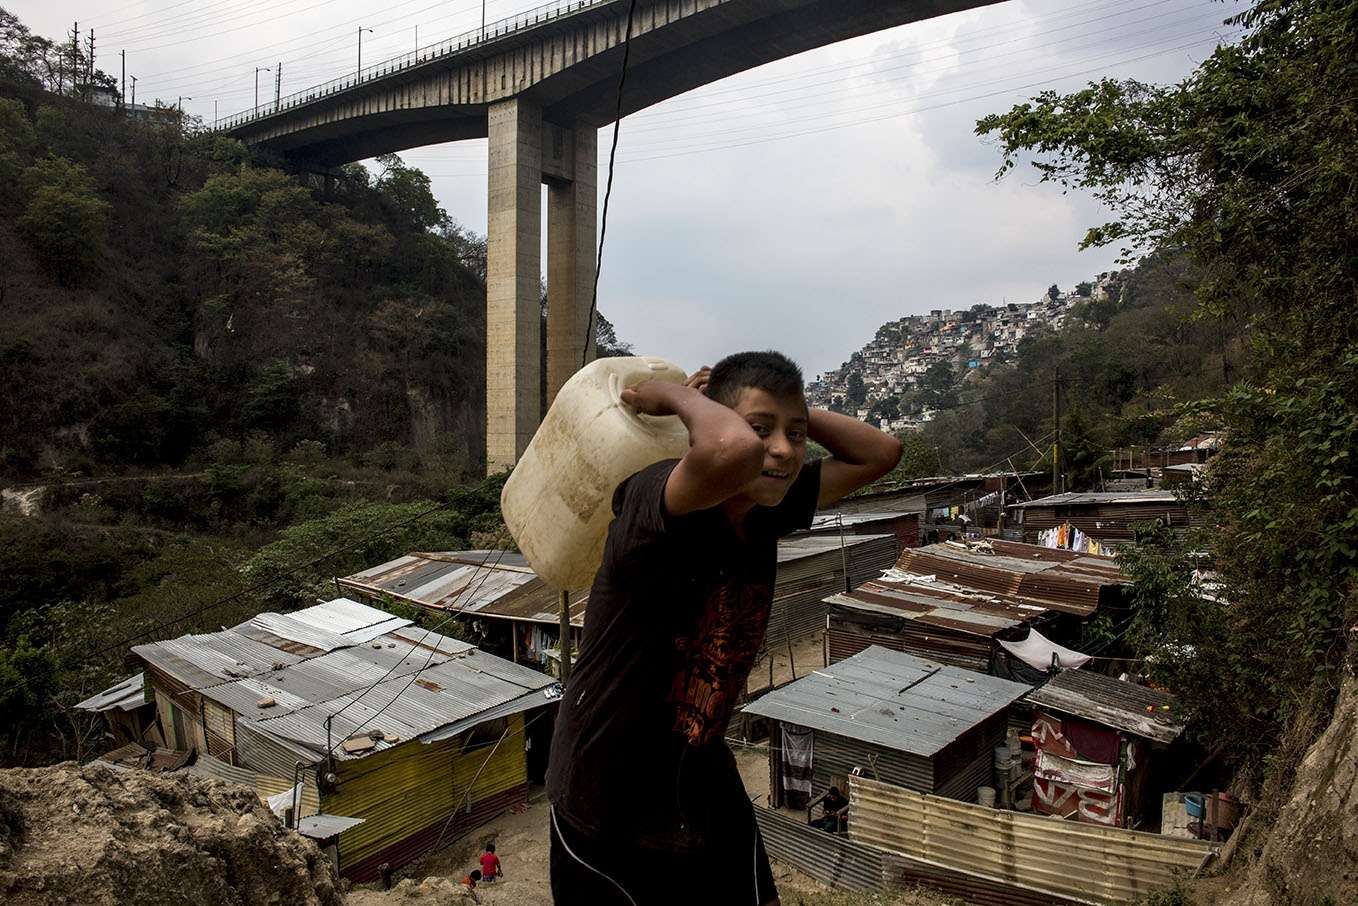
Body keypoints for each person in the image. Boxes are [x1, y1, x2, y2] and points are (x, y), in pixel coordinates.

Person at [546, 352, 901, 906]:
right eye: (761, 430)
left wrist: (794, 411)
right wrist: (678, 398)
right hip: (604, 786)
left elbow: (882, 453)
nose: (781, 449)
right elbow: (727, 451)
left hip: (697, 770)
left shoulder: (766, 510)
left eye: (796, 435)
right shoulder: (654, 500)